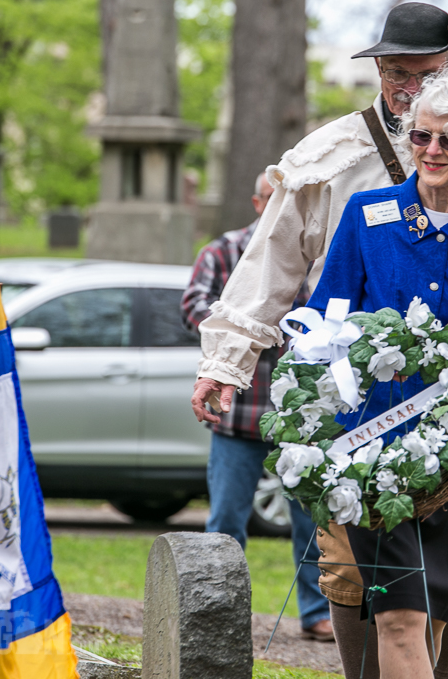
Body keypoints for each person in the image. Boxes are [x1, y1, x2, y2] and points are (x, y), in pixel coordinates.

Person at [191, 0, 448, 679]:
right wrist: (228, 359)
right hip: (358, 411)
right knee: (351, 577)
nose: (405, 89)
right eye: (393, 71)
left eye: (420, 73)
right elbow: (272, 262)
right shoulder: (336, 163)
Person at [304, 71, 448, 679]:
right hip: (371, 447)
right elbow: (328, 315)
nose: (432, 152)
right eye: (422, 137)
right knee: (400, 616)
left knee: (426, 612)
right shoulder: (365, 215)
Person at [181, 173, 332, 641]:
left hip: (299, 419)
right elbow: (193, 309)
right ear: (256, 202)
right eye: (272, 199)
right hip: (238, 416)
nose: (281, 207)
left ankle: (317, 614)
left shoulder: (317, 251)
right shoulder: (223, 252)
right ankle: (216, 617)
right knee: (225, 521)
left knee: (311, 523)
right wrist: (251, 328)